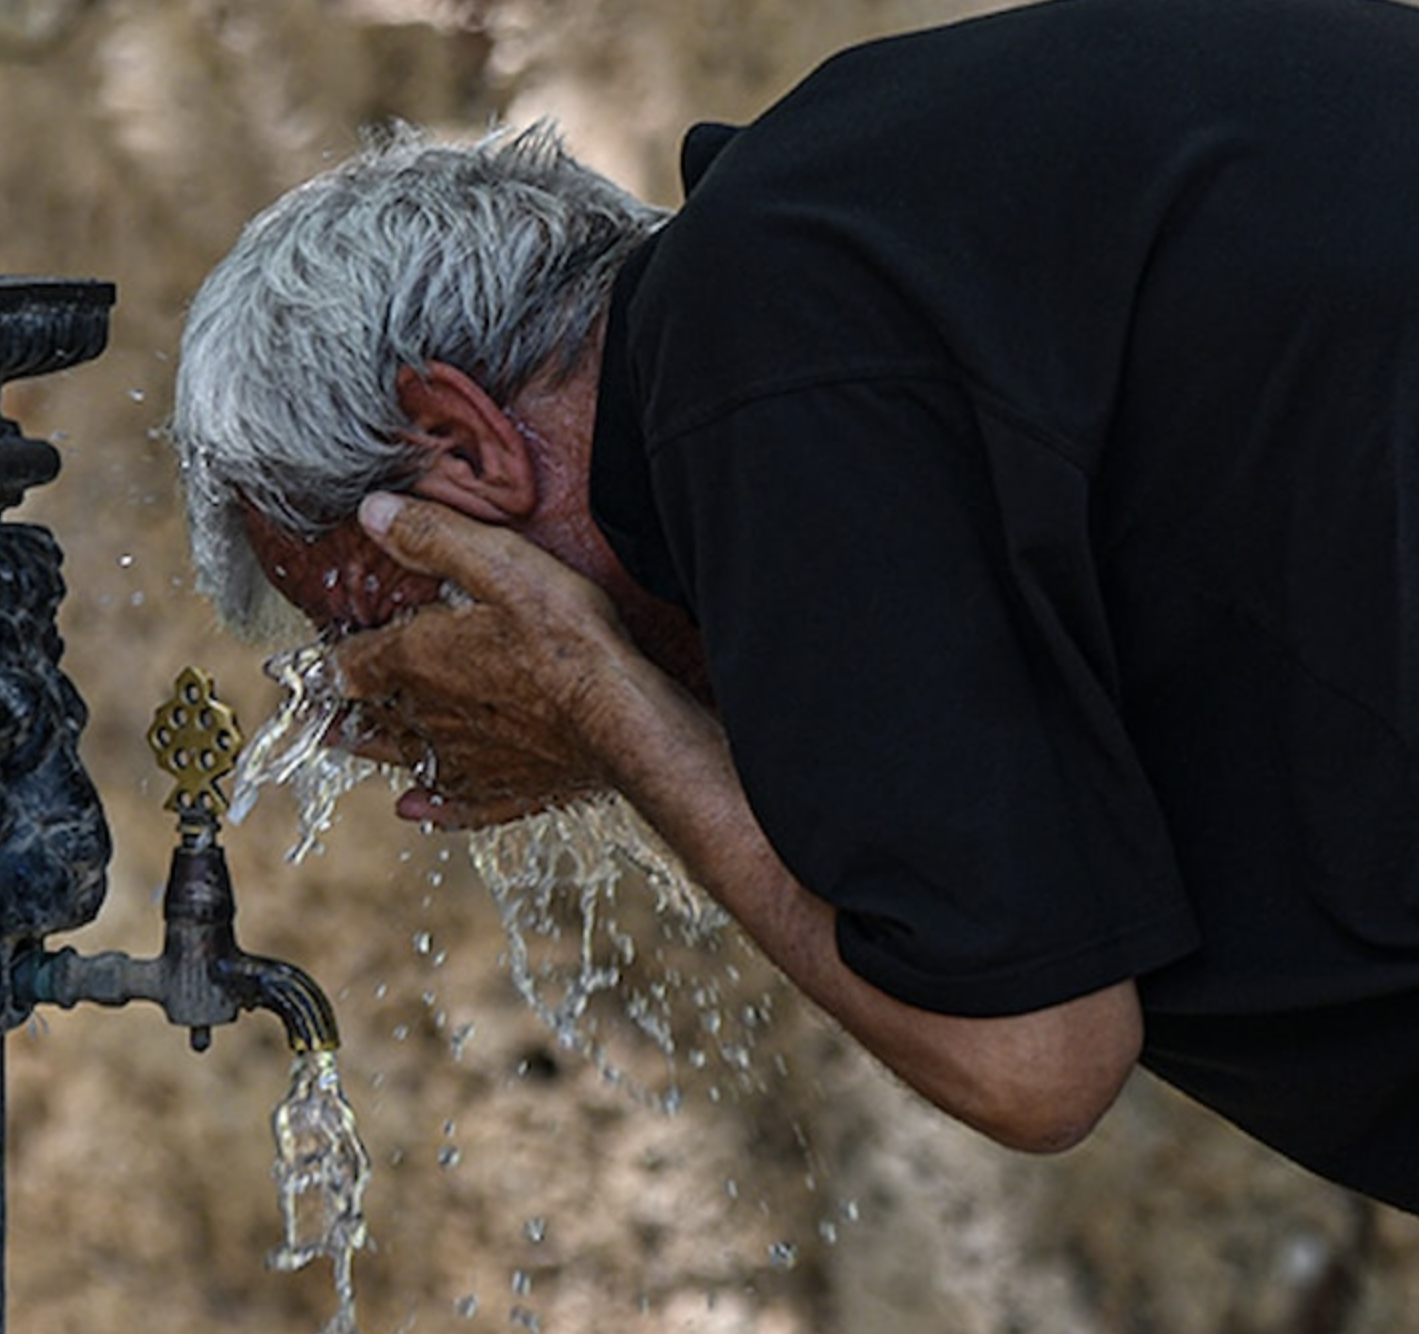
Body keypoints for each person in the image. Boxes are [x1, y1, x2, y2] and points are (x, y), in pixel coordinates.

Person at [167, 0, 1419, 1213]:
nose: (404, 678)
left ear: (459, 444)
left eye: (368, 618)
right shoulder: (859, 244)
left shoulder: (759, 354)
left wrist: (597, 703)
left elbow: (1032, 1058)